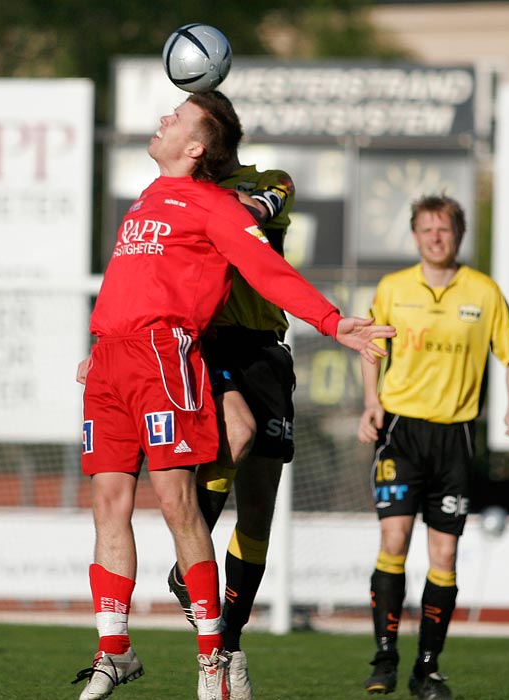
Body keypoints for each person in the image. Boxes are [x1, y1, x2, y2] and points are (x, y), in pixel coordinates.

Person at [72, 90, 396, 700]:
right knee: (108, 501)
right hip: (113, 359)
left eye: (178, 117)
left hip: (166, 355)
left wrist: (332, 322)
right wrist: (102, 341)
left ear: (195, 148)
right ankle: (114, 650)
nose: (163, 117)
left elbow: (267, 269)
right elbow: (132, 279)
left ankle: (214, 656)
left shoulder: (213, 204)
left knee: (178, 501)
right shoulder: (147, 196)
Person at [357, 194, 509, 700]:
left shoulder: (485, 292)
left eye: (445, 230)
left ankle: (426, 669)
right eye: (427, 229)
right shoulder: (393, 288)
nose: (436, 237)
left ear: (459, 235)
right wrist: (371, 401)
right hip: (401, 432)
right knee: (394, 539)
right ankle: (385, 658)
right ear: (415, 235)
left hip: (455, 436)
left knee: (445, 553)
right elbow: (371, 345)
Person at [166, 155, 297, 700]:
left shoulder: (271, 181)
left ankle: (230, 643)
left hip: (267, 349)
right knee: (233, 438)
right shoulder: (176, 192)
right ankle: (189, 569)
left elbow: (261, 208)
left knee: (261, 502)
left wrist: (218, 201)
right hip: (214, 344)